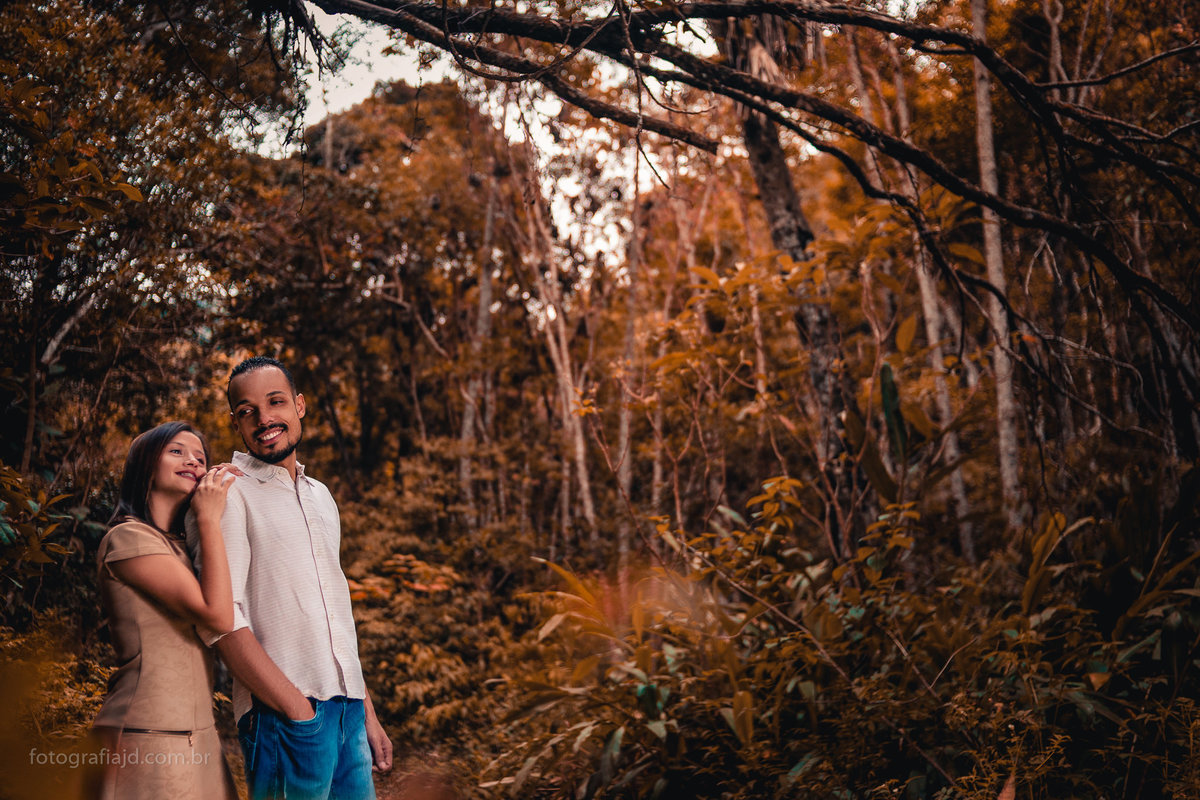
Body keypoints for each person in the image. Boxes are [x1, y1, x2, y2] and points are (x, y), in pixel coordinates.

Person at [188, 355, 393, 800]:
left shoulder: (321, 495)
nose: (264, 419)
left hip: (349, 714)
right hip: (285, 717)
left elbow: (335, 617)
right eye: (248, 411)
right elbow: (222, 619)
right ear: (237, 423)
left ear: (299, 405)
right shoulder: (227, 491)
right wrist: (296, 710)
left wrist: (365, 711)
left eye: (276, 402)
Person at [92, 421, 239, 800]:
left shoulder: (180, 546)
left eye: (200, 457)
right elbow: (218, 615)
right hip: (148, 734)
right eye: (176, 451)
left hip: (200, 735)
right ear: (145, 465)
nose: (192, 461)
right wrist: (208, 517)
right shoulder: (127, 537)